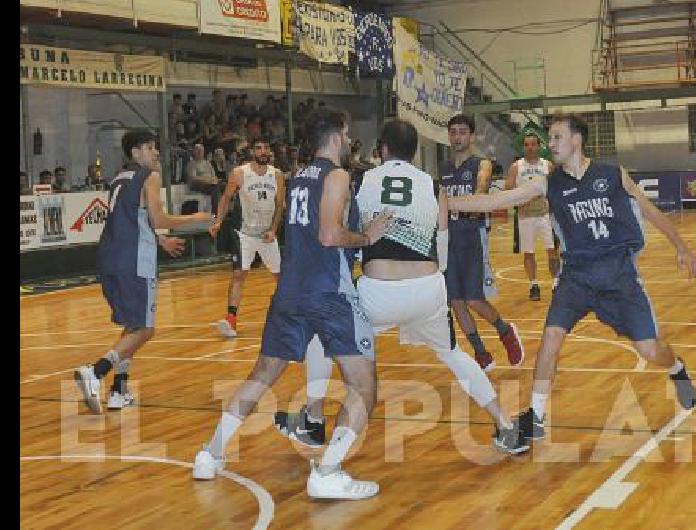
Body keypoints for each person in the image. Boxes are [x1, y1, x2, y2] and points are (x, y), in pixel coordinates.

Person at [274, 119, 530, 454]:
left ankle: (314, 418)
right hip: (428, 288)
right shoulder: (431, 184)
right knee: (454, 355)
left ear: (382, 150)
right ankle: (506, 426)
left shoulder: (360, 180)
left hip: (378, 291)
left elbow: (343, 233)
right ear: (413, 152)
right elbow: (441, 244)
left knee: (321, 338)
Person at [446, 112, 696, 442]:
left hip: (618, 277)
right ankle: (535, 416)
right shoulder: (548, 181)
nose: (549, 144)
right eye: (549, 138)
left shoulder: (613, 175)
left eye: (555, 138)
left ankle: (677, 369)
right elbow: (498, 199)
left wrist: (681, 246)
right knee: (550, 337)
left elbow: (650, 211)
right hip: (576, 277)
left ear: (575, 140)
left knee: (650, 350)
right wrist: (444, 201)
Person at [192, 108, 392, 501]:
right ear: (335, 138)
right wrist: (367, 236)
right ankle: (329, 471)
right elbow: (331, 235)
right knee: (364, 386)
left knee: (262, 374)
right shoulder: (335, 175)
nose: (350, 143)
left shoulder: (299, 175)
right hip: (328, 292)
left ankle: (210, 453)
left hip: (291, 290)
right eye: (348, 135)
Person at [73, 129, 211, 413]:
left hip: (109, 257)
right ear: (135, 152)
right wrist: (193, 218)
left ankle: (118, 391)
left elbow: (132, 220)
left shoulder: (118, 180)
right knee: (146, 330)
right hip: (134, 261)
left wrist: (160, 239)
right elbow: (159, 217)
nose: (155, 152)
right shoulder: (149, 176)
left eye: (155, 147)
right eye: (149, 147)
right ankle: (96, 371)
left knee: (132, 326)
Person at [440, 114, 524, 372]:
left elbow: (481, 191)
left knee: (474, 299)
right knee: (455, 301)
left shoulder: (482, 164)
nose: (457, 137)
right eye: (453, 132)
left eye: (462, 132)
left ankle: (505, 330)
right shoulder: (443, 169)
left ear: (472, 136)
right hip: (448, 239)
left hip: (472, 236)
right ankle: (480, 353)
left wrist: (468, 203)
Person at [209, 138, 285, 338]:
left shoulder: (276, 175)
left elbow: (279, 205)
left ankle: (289, 314)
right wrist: (218, 221)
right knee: (238, 275)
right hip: (245, 234)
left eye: (266, 147)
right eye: (258, 148)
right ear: (252, 151)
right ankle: (231, 319)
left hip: (267, 234)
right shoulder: (240, 173)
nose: (263, 151)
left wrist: (274, 229)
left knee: (281, 277)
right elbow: (226, 198)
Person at [505, 133, 560, 301]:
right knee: (529, 252)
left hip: (545, 216)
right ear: (523, 147)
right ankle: (533, 284)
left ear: (539, 146)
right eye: (527, 144)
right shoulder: (516, 167)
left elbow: (557, 189)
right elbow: (508, 188)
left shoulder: (547, 166)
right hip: (525, 217)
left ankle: (556, 282)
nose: (530, 147)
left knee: (552, 250)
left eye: (533, 144)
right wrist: (518, 200)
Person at [186, 143, 221, 213]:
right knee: (215, 188)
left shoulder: (208, 163)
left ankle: (225, 211)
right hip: (197, 185)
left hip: (209, 184)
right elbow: (194, 178)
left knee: (223, 186)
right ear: (194, 152)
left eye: (201, 151)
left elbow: (214, 176)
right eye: (198, 150)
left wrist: (213, 180)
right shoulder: (192, 164)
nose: (199, 152)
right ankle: (215, 213)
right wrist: (207, 180)